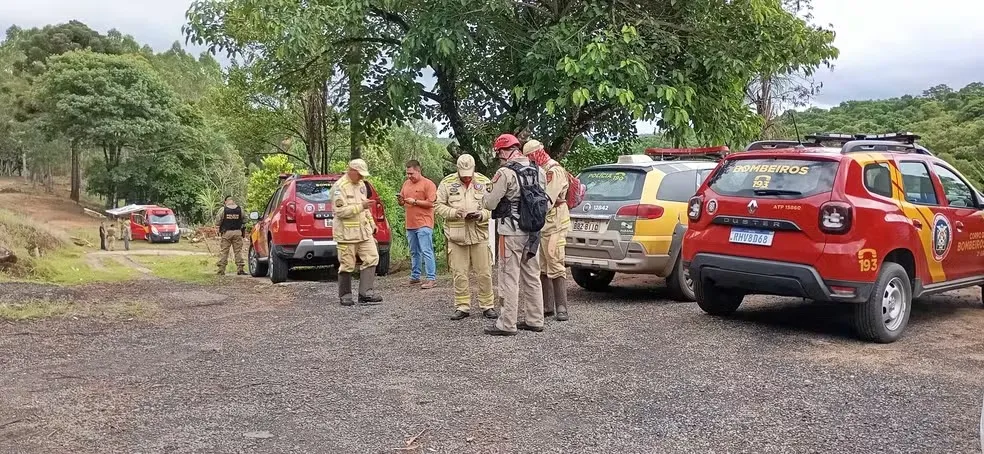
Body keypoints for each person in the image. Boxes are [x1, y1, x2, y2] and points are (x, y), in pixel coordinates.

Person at [482, 133, 547, 336]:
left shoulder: (505, 173)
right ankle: (535, 320)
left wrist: (486, 193)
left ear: (502, 151)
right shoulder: (539, 171)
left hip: (510, 232)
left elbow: (489, 203)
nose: (499, 157)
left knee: (509, 277)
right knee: (532, 276)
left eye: (498, 153)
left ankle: (507, 324)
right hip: (534, 232)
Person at [435, 154, 498, 320]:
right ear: (457, 169)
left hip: (479, 234)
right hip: (456, 236)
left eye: (469, 174)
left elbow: (494, 207)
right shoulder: (447, 183)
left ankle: (487, 305)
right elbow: (438, 206)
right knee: (459, 273)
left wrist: (481, 215)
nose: (466, 178)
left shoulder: (485, 182)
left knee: (485, 273)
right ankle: (462, 306)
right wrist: (455, 213)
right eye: (463, 175)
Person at [523, 140, 572, 321]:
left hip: (556, 223)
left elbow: (547, 200)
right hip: (543, 224)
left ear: (536, 153)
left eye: (530, 156)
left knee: (555, 261)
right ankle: (547, 306)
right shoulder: (539, 171)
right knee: (542, 265)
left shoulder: (554, 171)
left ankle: (562, 307)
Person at [331, 159, 383, 306]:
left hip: (363, 232)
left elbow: (365, 207)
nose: (362, 178)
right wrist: (360, 206)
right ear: (351, 170)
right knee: (347, 264)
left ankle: (366, 293)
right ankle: (345, 295)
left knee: (372, 257)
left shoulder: (361, 184)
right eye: (359, 174)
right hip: (346, 234)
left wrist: (372, 223)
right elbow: (340, 211)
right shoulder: (339, 187)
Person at [397, 160, 438, 289]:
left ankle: (431, 278)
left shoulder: (428, 184)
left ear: (418, 171)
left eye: (411, 173)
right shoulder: (406, 184)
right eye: (407, 174)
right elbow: (403, 203)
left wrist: (415, 201)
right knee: (414, 251)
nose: (409, 176)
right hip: (410, 223)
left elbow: (431, 203)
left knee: (426, 250)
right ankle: (415, 276)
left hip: (424, 223)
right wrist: (401, 200)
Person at [215, 195, 247, 276]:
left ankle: (221, 270)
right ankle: (240, 269)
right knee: (238, 251)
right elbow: (245, 220)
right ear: (233, 201)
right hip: (237, 232)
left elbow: (217, 222)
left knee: (224, 251)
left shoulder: (223, 209)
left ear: (226, 201)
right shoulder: (240, 209)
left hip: (226, 233)